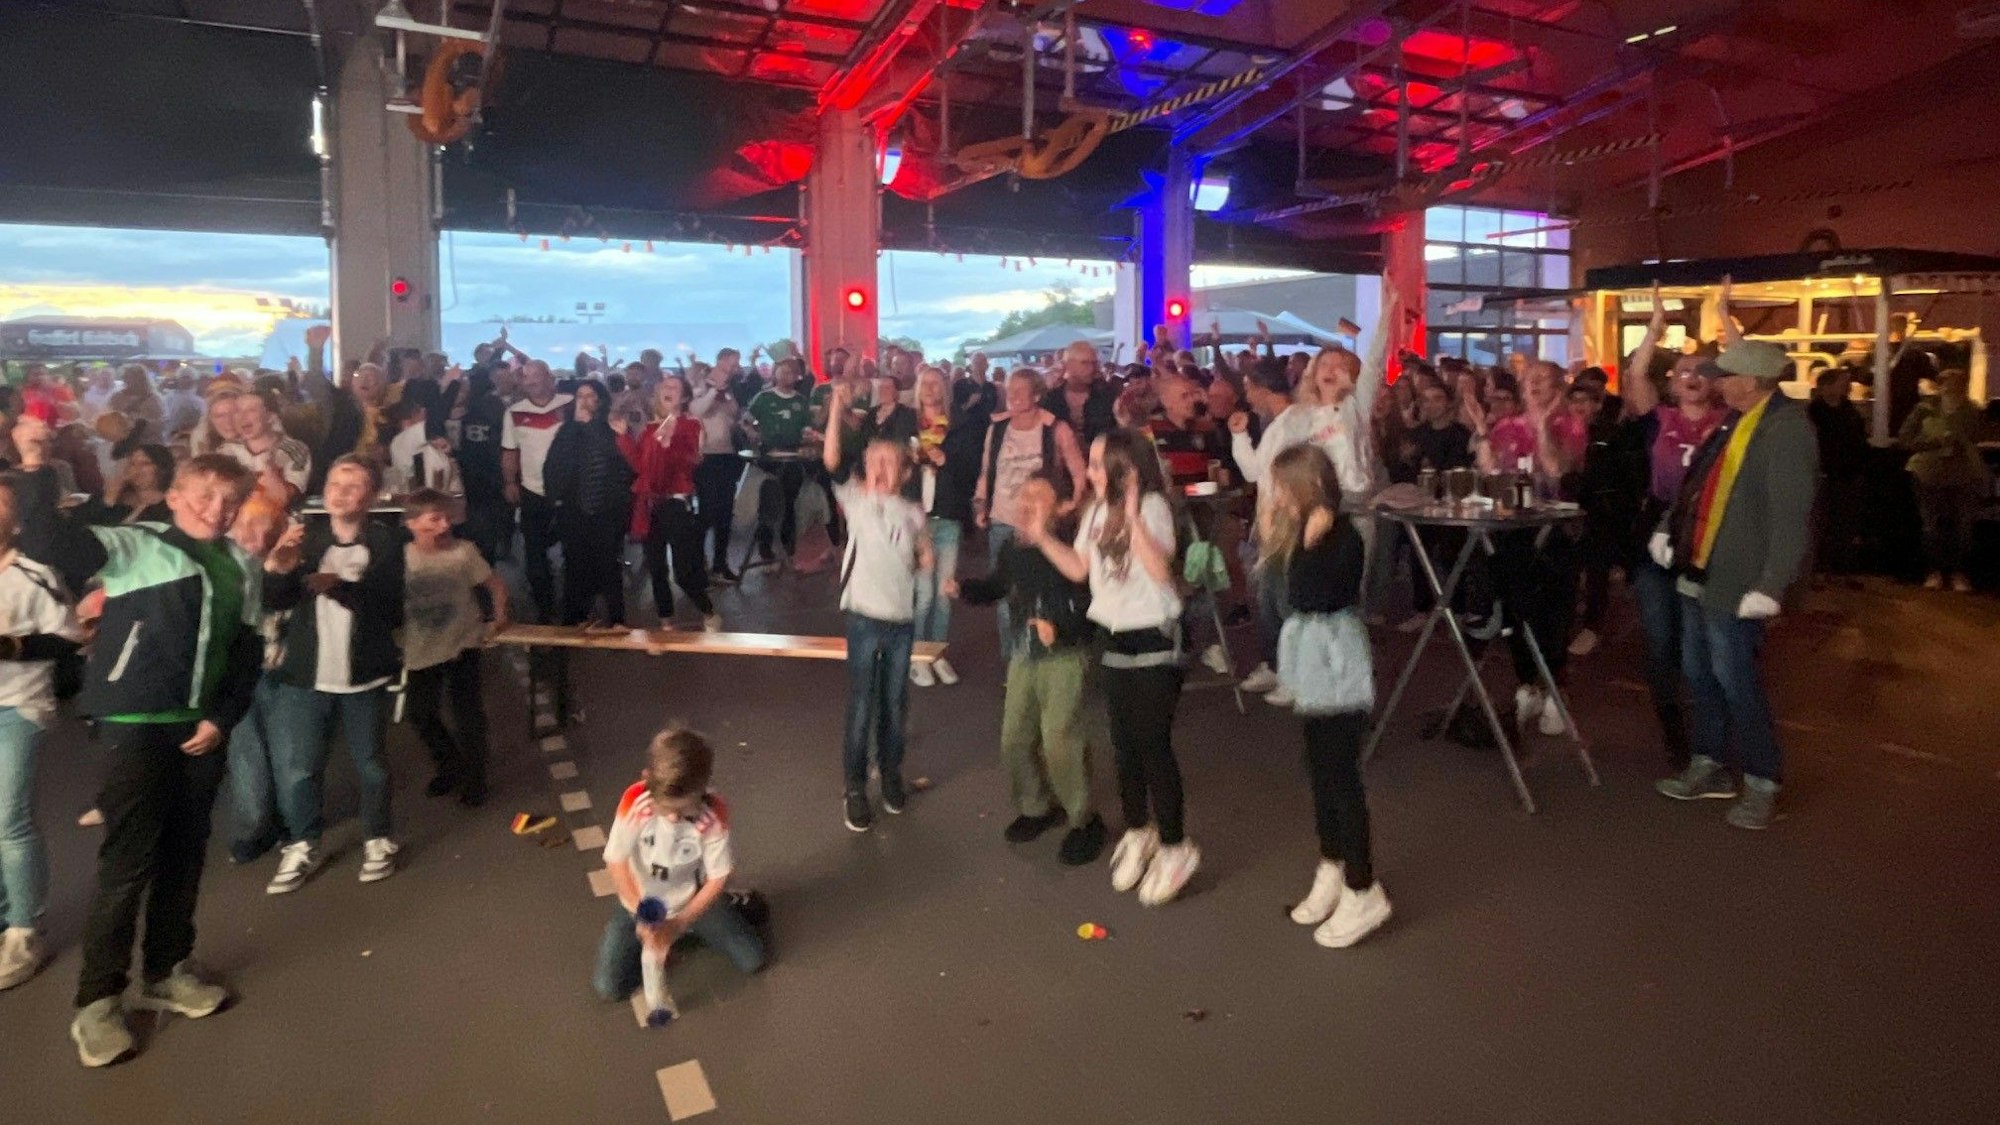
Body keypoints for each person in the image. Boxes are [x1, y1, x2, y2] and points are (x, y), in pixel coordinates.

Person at [17, 452, 262, 1067]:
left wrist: (220, 717)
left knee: (183, 856)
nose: (217, 509)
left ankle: (167, 970)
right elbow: (49, 540)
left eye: (230, 501)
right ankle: (97, 1001)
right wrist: (33, 463)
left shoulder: (240, 564)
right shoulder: (137, 545)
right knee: (128, 866)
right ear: (175, 496)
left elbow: (246, 651)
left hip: (198, 732)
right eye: (204, 496)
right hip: (134, 729)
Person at [1652, 341, 1818, 830]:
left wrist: (1772, 583)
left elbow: (1792, 517)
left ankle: (1762, 781)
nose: (1717, 383)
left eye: (1725, 376)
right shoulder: (1735, 421)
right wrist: (1669, 525)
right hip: (1701, 566)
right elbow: (1698, 484)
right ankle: (1710, 761)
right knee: (1700, 673)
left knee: (1735, 679)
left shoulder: (1786, 430)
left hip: (1736, 578)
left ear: (1751, 380)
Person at [1034, 429, 1196, 906]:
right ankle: (1140, 829)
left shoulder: (1152, 508)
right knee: (1123, 744)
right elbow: (1080, 569)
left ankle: (1175, 845)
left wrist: (1130, 514)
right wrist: (1043, 535)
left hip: (1154, 637)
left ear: (1127, 469)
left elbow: (1162, 571)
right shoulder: (1095, 513)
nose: (1089, 473)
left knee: (1152, 744)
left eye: (1099, 465)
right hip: (1112, 635)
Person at [1255, 444, 1390, 947]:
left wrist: (1306, 543)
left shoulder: (1341, 535)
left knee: (1340, 773)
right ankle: (1332, 864)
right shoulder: (1305, 530)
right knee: (1319, 768)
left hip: (1336, 660)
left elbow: (1313, 595)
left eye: (1283, 488)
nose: (1277, 498)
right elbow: (1282, 587)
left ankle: (1363, 886)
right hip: (1313, 659)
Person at [262, 455, 407, 893]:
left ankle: (378, 837)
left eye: (353, 484)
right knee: (301, 768)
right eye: (334, 481)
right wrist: (276, 567)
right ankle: (304, 843)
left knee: (371, 765)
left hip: (363, 675)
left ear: (372, 495)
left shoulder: (386, 543)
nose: (340, 491)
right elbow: (275, 601)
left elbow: (389, 610)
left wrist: (339, 587)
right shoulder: (304, 539)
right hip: (307, 675)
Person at [949, 473, 1105, 865]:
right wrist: (965, 589)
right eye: (1023, 497)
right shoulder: (1014, 550)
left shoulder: (1071, 547)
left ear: (1059, 507)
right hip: (1024, 653)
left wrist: (1062, 629)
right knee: (1014, 739)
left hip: (1065, 656)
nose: (1027, 503)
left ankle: (1083, 819)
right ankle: (1037, 806)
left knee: (1059, 741)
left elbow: (1093, 604)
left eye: (1039, 496)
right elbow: (997, 586)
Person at [1621, 295, 1729, 767]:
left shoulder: (1728, 423)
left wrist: (1727, 321)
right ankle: (1673, 725)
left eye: (1703, 370)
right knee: (1661, 637)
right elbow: (1635, 377)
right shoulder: (1659, 420)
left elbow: (1757, 383)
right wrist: (1655, 325)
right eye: (1684, 369)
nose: (1692, 376)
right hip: (1658, 533)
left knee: (1699, 642)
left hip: (1707, 533)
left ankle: (1711, 731)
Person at [821, 386, 932, 833]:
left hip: (901, 623)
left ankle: (890, 774)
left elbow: (922, 552)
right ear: (864, 470)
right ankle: (853, 786)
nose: (880, 469)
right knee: (863, 704)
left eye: (890, 463)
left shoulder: (912, 512)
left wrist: (929, 561)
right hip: (865, 620)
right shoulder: (856, 501)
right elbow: (830, 460)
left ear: (905, 472)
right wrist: (835, 409)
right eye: (874, 463)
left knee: (894, 704)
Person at [592, 727, 765, 1003]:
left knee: (753, 959)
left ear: (703, 789)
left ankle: (728, 908)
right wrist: (643, 914)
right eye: (665, 808)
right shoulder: (634, 801)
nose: (673, 819)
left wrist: (680, 922)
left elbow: (719, 876)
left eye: (684, 810)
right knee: (609, 987)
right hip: (639, 903)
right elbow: (616, 862)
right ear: (647, 780)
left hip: (690, 899)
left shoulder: (714, 813)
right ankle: (673, 936)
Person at [0, 475, 85, 992]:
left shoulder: (33, 574)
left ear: (16, 520)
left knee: (9, 820)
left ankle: (24, 931)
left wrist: (10, 649)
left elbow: (69, 637)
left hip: (18, 707)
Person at [403, 489, 509, 808]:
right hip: (420, 647)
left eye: (447, 518)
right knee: (421, 713)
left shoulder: (463, 553)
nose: (444, 525)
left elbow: (495, 585)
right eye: (434, 519)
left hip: (462, 643)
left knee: (467, 713)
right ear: (411, 523)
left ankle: (475, 778)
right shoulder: (401, 557)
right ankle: (450, 764)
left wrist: (499, 618)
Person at [975, 370, 1086, 663]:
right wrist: (980, 505)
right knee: (1004, 592)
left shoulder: (1056, 429)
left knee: (1042, 588)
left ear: (1037, 395)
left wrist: (1071, 504)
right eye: (1010, 390)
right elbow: (987, 471)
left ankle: (1046, 653)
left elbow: (1078, 471)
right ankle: (1014, 661)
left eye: (1021, 390)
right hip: (1003, 518)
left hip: (1042, 523)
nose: (1013, 395)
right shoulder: (997, 429)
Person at [1230, 357, 1315, 704]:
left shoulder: (1290, 424)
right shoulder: (1283, 422)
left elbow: (1257, 474)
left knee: (1280, 598)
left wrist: (1238, 437)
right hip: (1274, 521)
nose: (1247, 395)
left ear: (1261, 388)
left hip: (1284, 523)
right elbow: (1257, 472)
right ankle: (1276, 664)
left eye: (1249, 387)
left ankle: (1290, 672)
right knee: (1269, 598)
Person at [220, 497, 297, 867]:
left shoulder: (293, 560)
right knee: (246, 757)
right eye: (247, 526)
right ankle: (255, 828)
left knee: (290, 755)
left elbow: (285, 596)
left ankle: (293, 822)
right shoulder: (223, 564)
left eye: (267, 526)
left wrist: (276, 567)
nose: (257, 535)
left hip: (286, 672)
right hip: (237, 674)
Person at [620, 376, 719, 631]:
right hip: (650, 504)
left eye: (674, 387)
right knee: (656, 566)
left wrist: (669, 443)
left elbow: (692, 462)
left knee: (684, 570)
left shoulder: (691, 425)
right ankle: (665, 621)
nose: (667, 389)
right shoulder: (648, 429)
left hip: (676, 503)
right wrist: (624, 440)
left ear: (684, 397)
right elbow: (641, 468)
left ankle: (708, 611)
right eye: (664, 386)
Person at [907, 366, 979, 688]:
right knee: (922, 595)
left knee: (943, 593)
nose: (931, 388)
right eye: (925, 383)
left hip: (948, 515)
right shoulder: (907, 425)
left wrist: (946, 461)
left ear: (946, 389)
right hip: (917, 519)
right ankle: (917, 656)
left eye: (937, 383)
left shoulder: (960, 426)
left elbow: (971, 471)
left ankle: (937, 654)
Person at [546, 380, 637, 627]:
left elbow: (625, 464)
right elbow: (555, 465)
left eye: (590, 395)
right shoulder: (566, 431)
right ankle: (575, 616)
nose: (584, 401)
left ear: (600, 400)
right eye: (580, 396)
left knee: (608, 564)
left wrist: (591, 427)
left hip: (608, 509)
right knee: (575, 564)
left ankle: (616, 620)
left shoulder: (613, 428)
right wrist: (555, 500)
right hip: (574, 509)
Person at [1898, 368, 1986, 592]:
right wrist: (1932, 442)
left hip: (1962, 472)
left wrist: (1960, 442)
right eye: (1946, 383)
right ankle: (1934, 571)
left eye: (1955, 383)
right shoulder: (1925, 409)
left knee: (1963, 526)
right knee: (1932, 525)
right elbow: (1905, 439)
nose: (1951, 387)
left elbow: (1978, 437)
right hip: (1928, 472)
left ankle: (1958, 572)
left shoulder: (1971, 410)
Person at [502, 359, 573, 620]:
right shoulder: (514, 412)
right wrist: (510, 481)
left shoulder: (570, 404)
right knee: (534, 553)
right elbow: (510, 450)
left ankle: (574, 608)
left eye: (536, 376)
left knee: (574, 551)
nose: (530, 382)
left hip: (569, 491)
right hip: (532, 490)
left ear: (549, 377)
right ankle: (545, 608)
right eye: (526, 377)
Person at [743, 357, 814, 563]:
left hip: (793, 454)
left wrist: (809, 437)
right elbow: (746, 420)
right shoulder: (763, 398)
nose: (786, 376)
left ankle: (787, 542)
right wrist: (752, 433)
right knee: (770, 497)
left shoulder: (801, 401)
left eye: (791, 373)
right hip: (769, 454)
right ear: (775, 373)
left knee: (789, 498)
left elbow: (806, 427)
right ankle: (764, 543)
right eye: (782, 372)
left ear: (797, 376)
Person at [690, 358, 745, 584]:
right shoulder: (699, 391)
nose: (725, 374)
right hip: (707, 458)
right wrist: (713, 389)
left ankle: (720, 564)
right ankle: (697, 563)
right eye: (720, 371)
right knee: (707, 512)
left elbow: (734, 414)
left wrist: (726, 394)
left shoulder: (727, 393)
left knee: (725, 513)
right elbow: (697, 410)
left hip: (726, 456)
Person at [456, 365, 510, 564]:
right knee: (486, 529)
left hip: (470, 474)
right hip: (491, 474)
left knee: (474, 527)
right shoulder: (495, 405)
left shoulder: (463, 408)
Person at [224, 389, 312, 506]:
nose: (242, 417)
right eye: (237, 411)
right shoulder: (227, 450)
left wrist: (268, 469)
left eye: (251, 410)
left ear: (270, 417)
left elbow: (283, 499)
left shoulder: (295, 449)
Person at [1040, 341, 1120, 450]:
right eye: (1084, 363)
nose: (1091, 368)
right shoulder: (1051, 399)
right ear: (1068, 364)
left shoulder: (1108, 396)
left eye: (1094, 363)